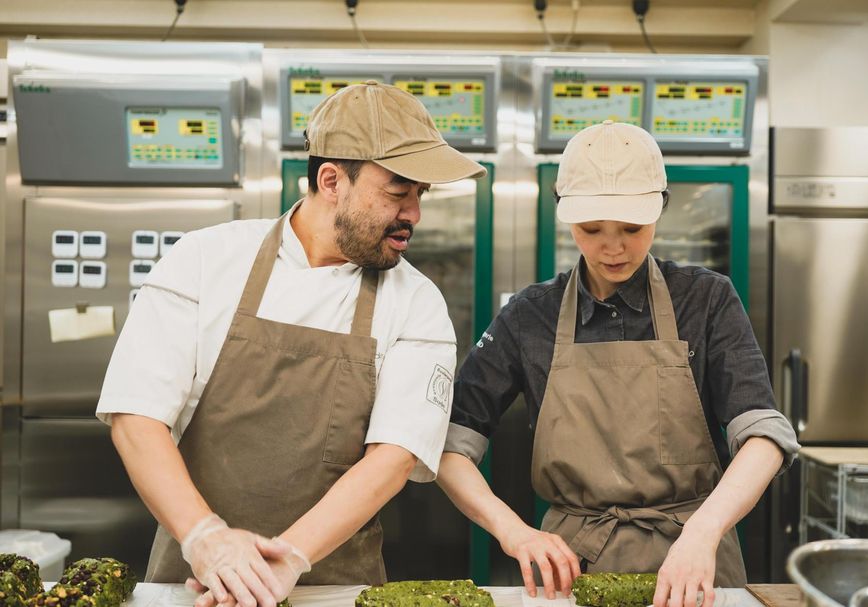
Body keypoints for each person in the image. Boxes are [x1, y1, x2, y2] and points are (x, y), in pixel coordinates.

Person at [97, 81, 487, 607]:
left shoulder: (417, 303)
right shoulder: (204, 261)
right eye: (398, 190)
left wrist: (286, 559)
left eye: (421, 194)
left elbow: (393, 457)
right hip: (195, 583)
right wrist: (206, 538)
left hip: (335, 587)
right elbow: (136, 417)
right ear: (331, 180)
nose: (413, 213)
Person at [437, 120, 800, 607]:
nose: (613, 247)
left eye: (632, 228)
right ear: (566, 218)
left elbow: (763, 436)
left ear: (660, 210)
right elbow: (449, 447)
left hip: (694, 563)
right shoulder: (530, 315)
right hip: (572, 568)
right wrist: (513, 532)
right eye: (591, 230)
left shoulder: (706, 299)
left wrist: (703, 531)